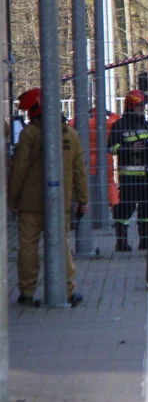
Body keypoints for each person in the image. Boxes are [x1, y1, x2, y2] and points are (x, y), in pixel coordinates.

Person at [8, 89, 88, 307]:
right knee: (62, 245)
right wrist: (83, 198)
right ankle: (67, 291)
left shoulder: (30, 135)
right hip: (60, 202)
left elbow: (19, 170)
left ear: (34, 110)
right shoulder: (70, 135)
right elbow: (80, 169)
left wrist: (11, 200)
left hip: (29, 204)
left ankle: (26, 292)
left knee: (28, 248)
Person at [108, 89, 148, 251]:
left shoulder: (145, 124)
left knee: (147, 210)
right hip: (129, 176)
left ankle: (145, 241)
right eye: (139, 106)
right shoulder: (119, 125)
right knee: (127, 207)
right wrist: (130, 148)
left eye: (142, 106)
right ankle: (121, 242)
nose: (142, 109)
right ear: (131, 106)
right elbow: (111, 147)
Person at [71, 108, 122, 210]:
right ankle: (115, 204)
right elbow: (118, 119)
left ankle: (88, 205)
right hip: (105, 157)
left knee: (87, 182)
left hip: (88, 157)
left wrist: (83, 113)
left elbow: (71, 123)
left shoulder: (85, 125)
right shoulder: (108, 123)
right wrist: (109, 113)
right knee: (110, 182)